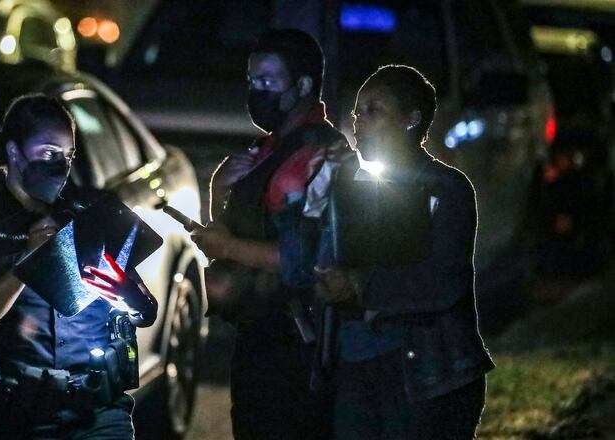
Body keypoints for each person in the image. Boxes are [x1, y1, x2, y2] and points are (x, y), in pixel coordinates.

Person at [0, 94, 156, 439]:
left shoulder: (92, 210)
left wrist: (130, 297)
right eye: (48, 153)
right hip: (17, 417)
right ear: (14, 152)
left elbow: (145, 311)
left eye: (68, 155)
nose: (61, 164)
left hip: (97, 411)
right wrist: (28, 262)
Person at [315, 65, 495, 439]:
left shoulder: (445, 188)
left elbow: (443, 281)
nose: (360, 122)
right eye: (357, 113)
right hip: (358, 369)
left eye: (374, 111)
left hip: (428, 374)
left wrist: (359, 285)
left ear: (412, 119)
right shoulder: (348, 187)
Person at [191, 29, 349, 440]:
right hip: (257, 334)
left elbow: (306, 258)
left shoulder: (320, 155)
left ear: (303, 86)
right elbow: (227, 237)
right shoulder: (267, 151)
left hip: (299, 343)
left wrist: (226, 245)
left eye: (268, 81)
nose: (256, 91)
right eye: (252, 81)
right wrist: (219, 191)